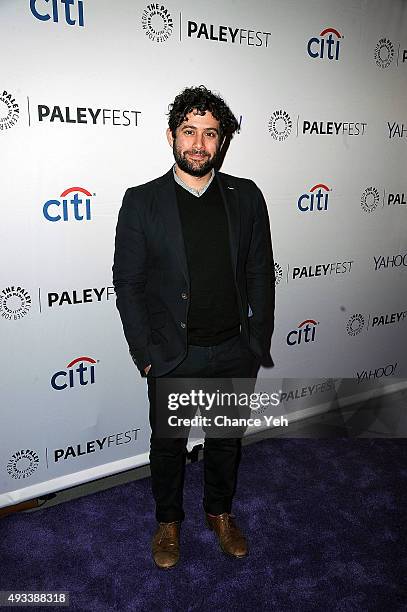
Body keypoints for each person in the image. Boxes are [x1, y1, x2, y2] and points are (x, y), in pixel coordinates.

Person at [113, 85, 274, 569]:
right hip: (173, 354)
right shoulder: (142, 201)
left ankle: (219, 513)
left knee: (226, 441)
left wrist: (256, 339)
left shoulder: (245, 195)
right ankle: (169, 521)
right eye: (189, 132)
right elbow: (128, 283)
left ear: (221, 141)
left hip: (232, 350)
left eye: (210, 134)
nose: (199, 144)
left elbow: (260, 270)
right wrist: (144, 352)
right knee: (168, 446)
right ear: (171, 136)